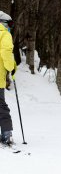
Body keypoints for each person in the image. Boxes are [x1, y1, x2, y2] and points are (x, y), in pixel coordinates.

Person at [0, 10, 16, 145]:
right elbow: (6, 53)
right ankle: (6, 134)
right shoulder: (4, 35)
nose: (10, 27)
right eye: (9, 24)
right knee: (1, 105)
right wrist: (12, 68)